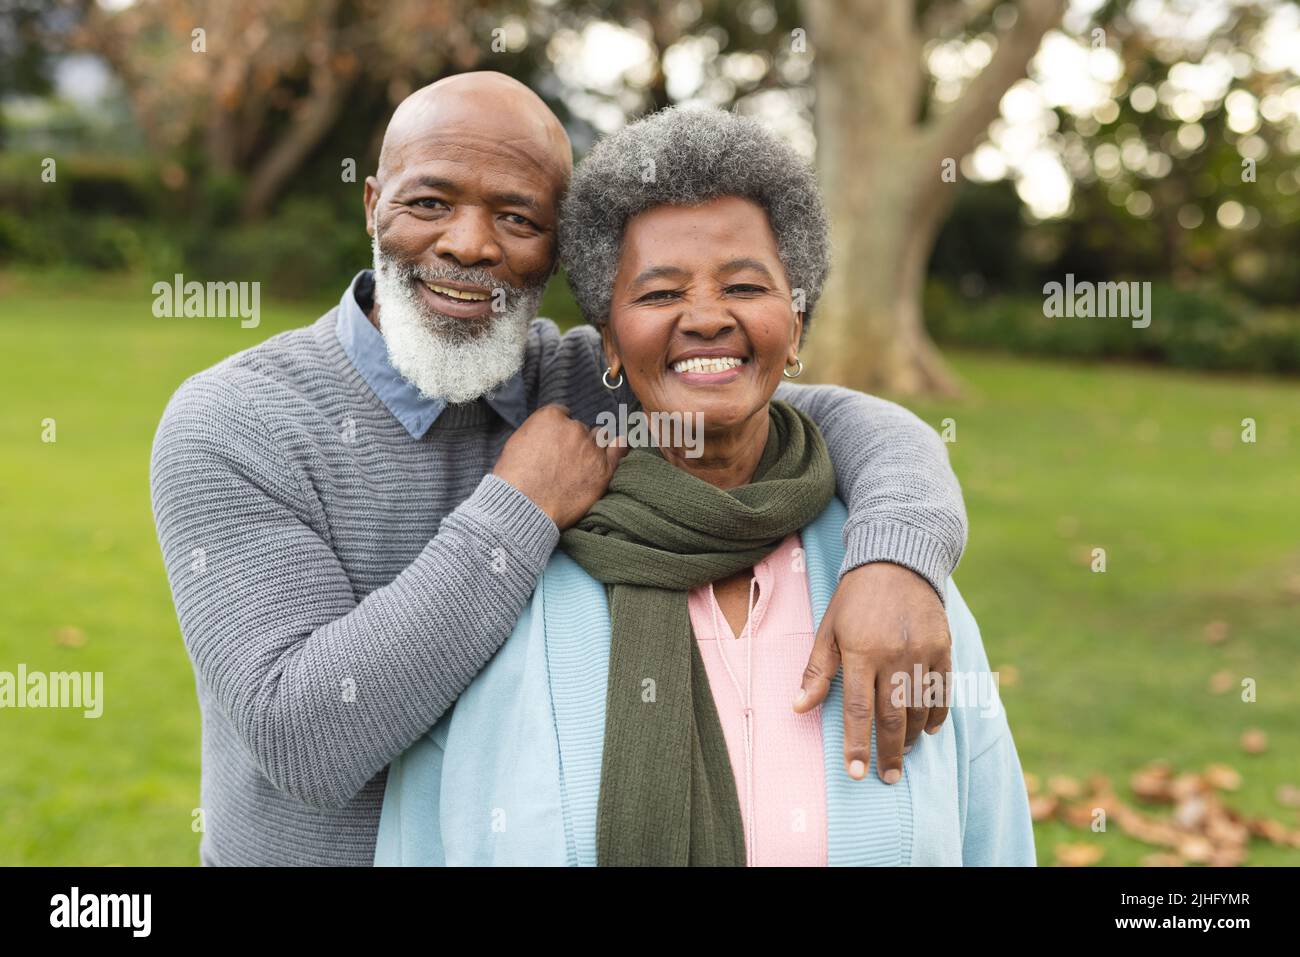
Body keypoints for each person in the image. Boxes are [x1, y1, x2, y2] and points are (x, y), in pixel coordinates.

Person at [151, 73, 970, 867]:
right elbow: (305, 739)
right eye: (430, 202)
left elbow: (829, 416)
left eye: (517, 216)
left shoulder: (591, 381)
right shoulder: (238, 422)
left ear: (558, 253)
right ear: (373, 204)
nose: (468, 244)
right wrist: (519, 504)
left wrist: (896, 555)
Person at [376, 107, 1034, 866]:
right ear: (610, 344)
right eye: (658, 295)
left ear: (797, 324)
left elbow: (995, 843)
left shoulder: (896, 584)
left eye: (745, 285)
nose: (706, 317)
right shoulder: (514, 596)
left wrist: (899, 560)